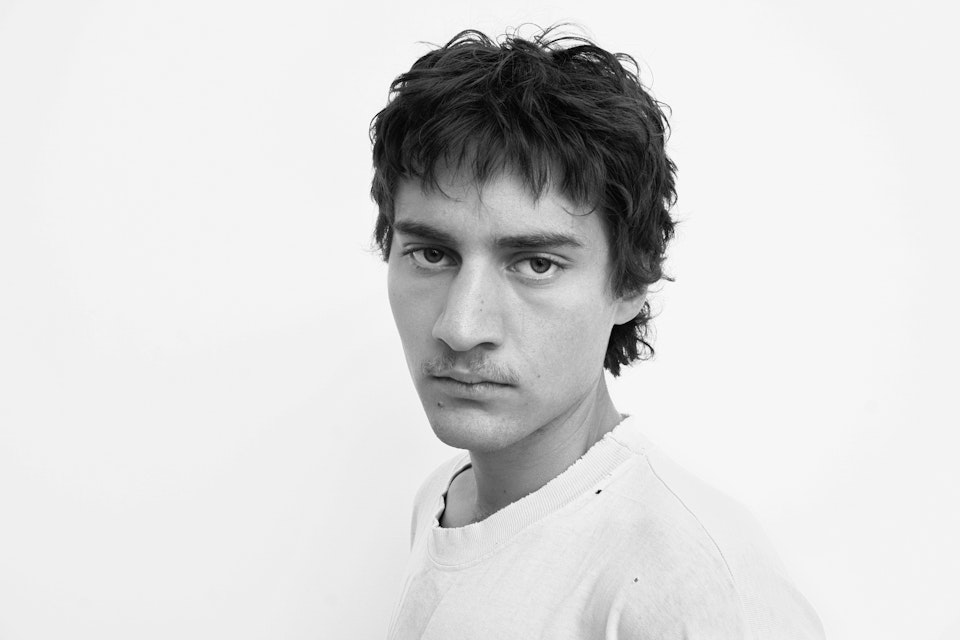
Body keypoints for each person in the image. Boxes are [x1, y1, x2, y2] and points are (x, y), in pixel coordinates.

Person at [369, 26, 825, 640]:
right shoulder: (442, 498)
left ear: (629, 281)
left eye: (536, 264)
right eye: (431, 254)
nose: (460, 326)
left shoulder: (690, 581)